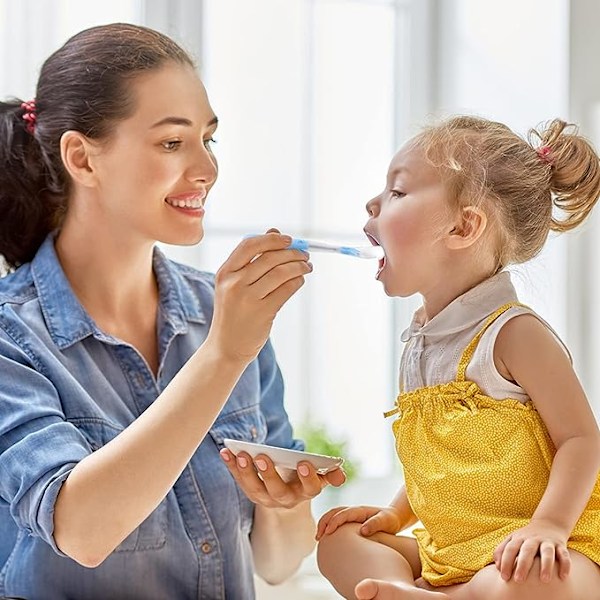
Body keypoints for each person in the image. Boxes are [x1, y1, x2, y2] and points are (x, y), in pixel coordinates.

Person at [0, 22, 344, 600]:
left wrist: (281, 504)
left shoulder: (225, 313)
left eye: (209, 139)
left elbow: (279, 563)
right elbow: (80, 529)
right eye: (171, 142)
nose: (206, 168)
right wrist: (224, 355)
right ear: (82, 159)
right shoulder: (13, 338)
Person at [315, 115, 600, 599]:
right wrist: (395, 515)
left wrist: (549, 527)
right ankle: (435, 592)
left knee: (537, 584)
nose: (373, 202)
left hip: (538, 547)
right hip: (450, 551)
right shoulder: (422, 343)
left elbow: (581, 439)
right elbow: (443, 462)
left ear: (464, 226)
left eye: (398, 192)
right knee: (337, 542)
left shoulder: (514, 334)